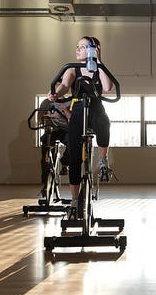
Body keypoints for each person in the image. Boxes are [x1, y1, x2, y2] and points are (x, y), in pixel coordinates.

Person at [48, 36, 113, 218]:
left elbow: (107, 87)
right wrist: (55, 94)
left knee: (104, 122)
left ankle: (102, 159)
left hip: (96, 108)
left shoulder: (99, 68)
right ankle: (75, 201)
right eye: (77, 46)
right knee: (74, 156)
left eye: (83, 47)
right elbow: (64, 86)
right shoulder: (71, 68)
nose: (78, 50)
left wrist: (98, 61)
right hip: (77, 110)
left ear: (94, 48)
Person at [37, 97, 71, 194]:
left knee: (72, 141)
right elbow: (40, 117)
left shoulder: (67, 101)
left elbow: (71, 117)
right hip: (52, 129)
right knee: (45, 150)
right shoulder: (46, 102)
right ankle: (45, 183)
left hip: (65, 130)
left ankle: (65, 163)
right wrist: (49, 118)